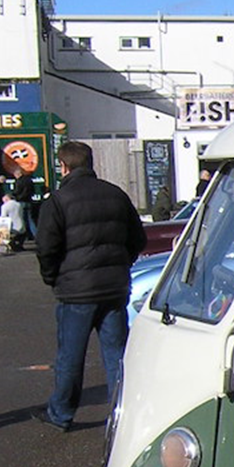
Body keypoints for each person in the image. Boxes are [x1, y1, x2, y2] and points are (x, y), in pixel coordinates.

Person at [33, 140, 147, 431]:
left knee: (71, 356)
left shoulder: (57, 200)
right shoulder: (116, 195)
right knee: (117, 354)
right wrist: (123, 263)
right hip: (114, 287)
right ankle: (122, 413)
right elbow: (138, 239)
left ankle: (61, 413)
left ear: (63, 166)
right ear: (90, 163)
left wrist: (52, 277)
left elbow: (46, 247)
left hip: (76, 290)